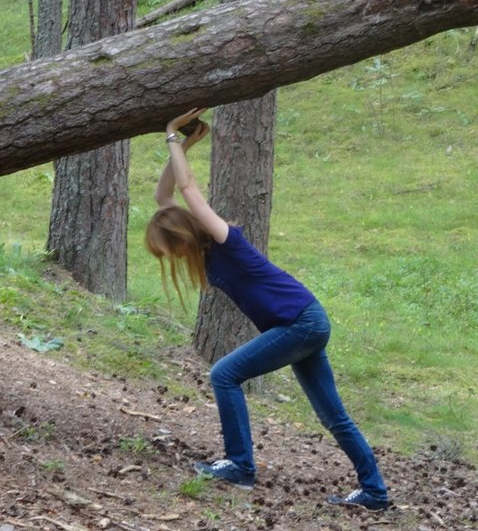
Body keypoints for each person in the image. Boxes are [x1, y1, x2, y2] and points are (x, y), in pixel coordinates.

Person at [144, 108, 390, 511]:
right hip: (301, 322)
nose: (170, 257)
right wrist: (187, 144)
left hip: (301, 323)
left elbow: (187, 190)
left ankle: (240, 465)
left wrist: (172, 133)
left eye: (169, 249)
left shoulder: (224, 240)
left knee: (224, 374)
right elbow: (163, 197)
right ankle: (375, 493)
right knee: (333, 416)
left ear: (184, 236)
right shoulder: (206, 252)